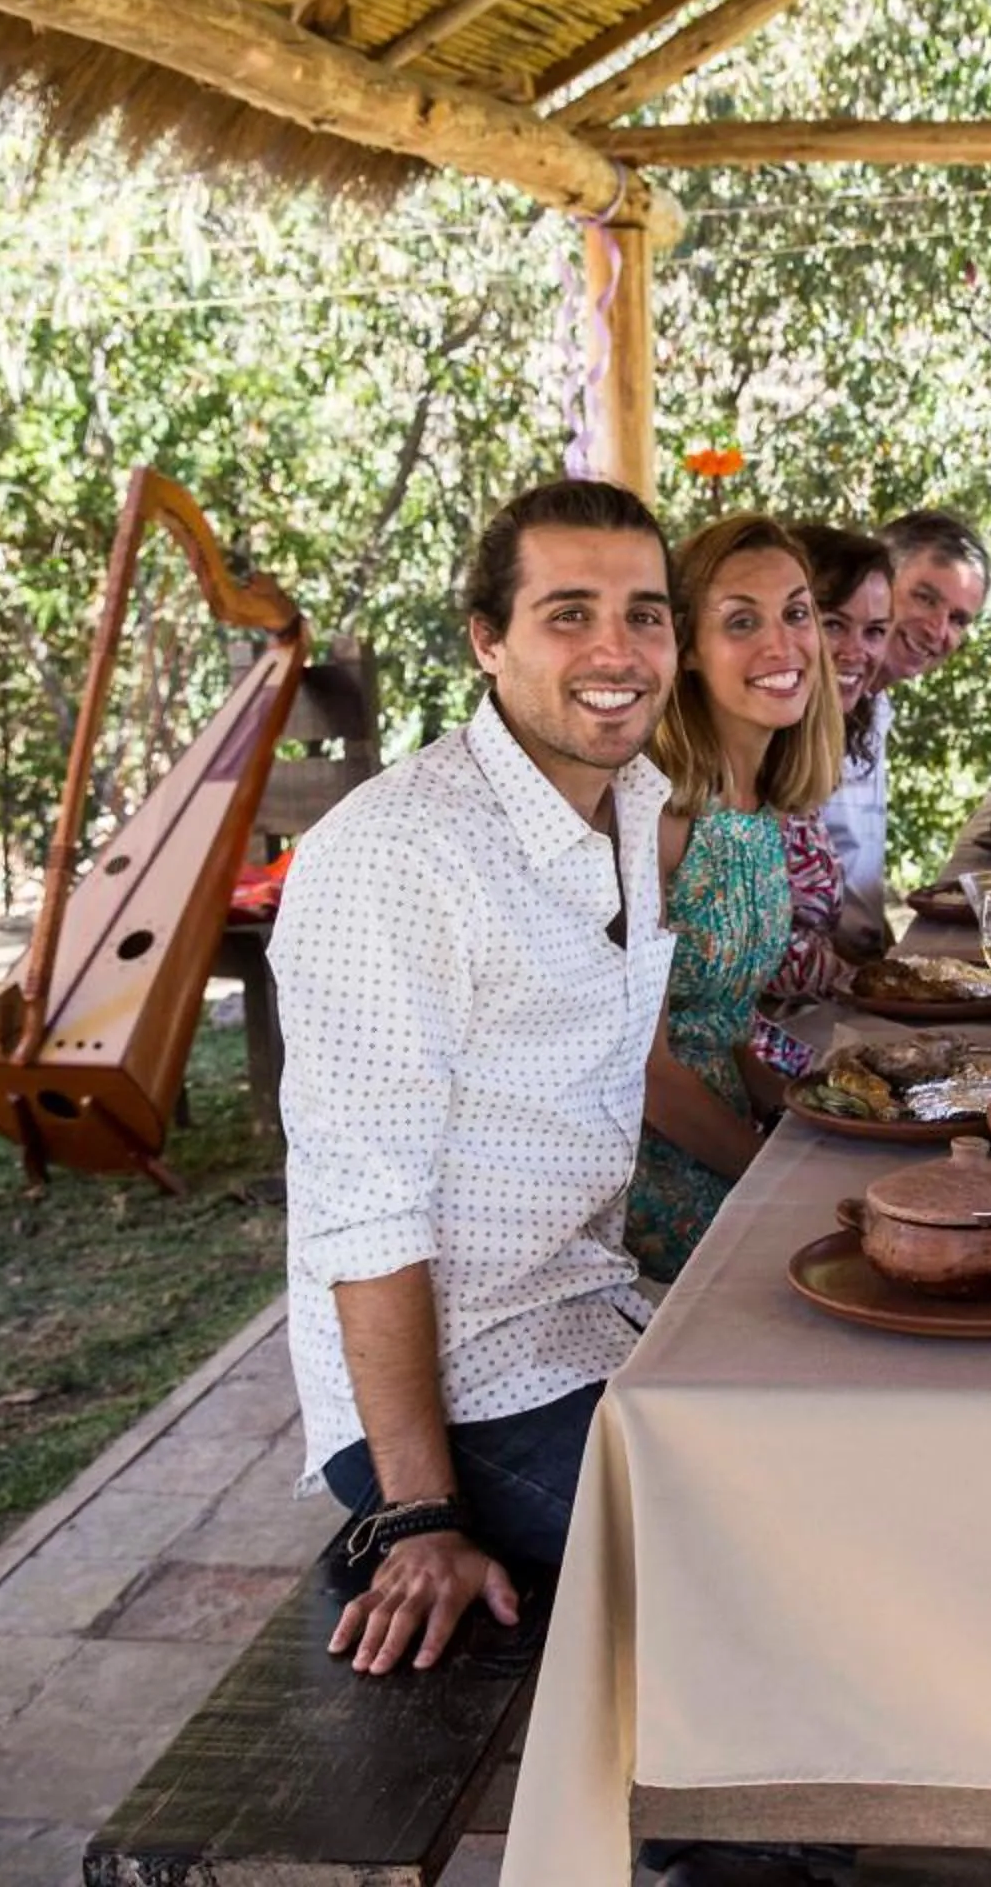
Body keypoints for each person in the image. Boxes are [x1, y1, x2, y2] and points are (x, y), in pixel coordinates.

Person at [269, 477, 676, 1676]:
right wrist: (421, 1512)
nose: (618, 649)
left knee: (851, 1452)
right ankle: (733, 1850)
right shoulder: (395, 858)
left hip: (592, 1318)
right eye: (569, 613)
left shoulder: (633, 804)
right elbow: (365, 1210)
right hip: (462, 1398)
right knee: (740, 1555)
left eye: (645, 614)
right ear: (488, 640)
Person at [630, 516, 845, 1282]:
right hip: (652, 1171)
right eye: (741, 622)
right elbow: (645, 1069)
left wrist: (824, 1117)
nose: (782, 646)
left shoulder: (753, 801)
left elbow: (717, 1024)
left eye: (795, 613)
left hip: (726, 1123)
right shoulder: (659, 809)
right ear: (687, 650)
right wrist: (767, 1180)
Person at [817, 509, 991, 949]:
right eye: (926, 598)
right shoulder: (799, 710)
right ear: (877, 585)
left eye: (959, 619)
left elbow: (855, 884)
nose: (938, 630)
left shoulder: (876, 708)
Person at [767, 522, 894, 993]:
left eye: (875, 631)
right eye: (834, 624)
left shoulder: (832, 736)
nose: (856, 651)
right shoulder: (748, 752)